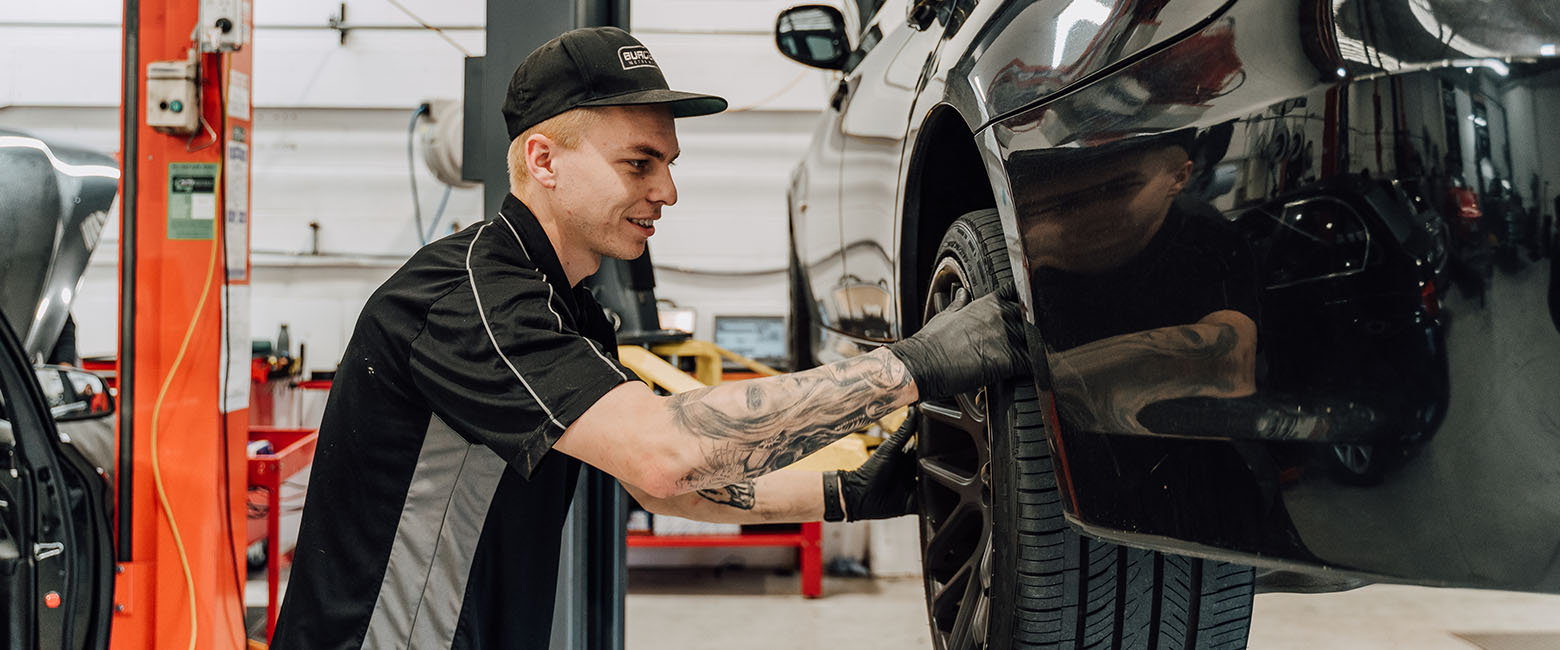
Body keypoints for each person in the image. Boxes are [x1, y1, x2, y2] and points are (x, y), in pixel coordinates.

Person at [270, 26, 1028, 650]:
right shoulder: (468, 300)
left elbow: (666, 486)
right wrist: (914, 366)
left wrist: (847, 493)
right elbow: (666, 454)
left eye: (666, 164)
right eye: (639, 163)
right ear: (543, 160)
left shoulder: (569, 309)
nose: (666, 190)